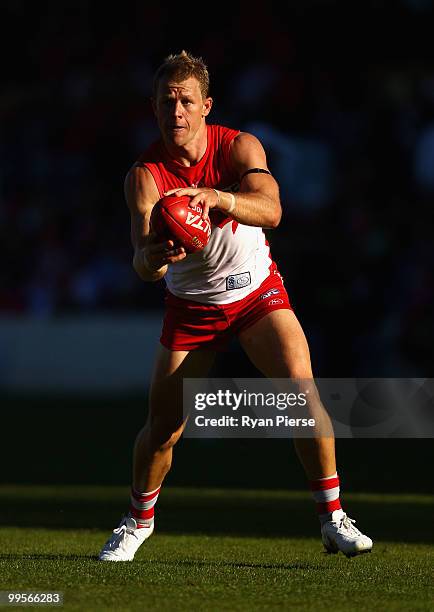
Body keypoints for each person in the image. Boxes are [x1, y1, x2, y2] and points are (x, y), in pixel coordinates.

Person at [99, 51, 372, 561]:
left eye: (185, 101)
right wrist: (156, 256)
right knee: (164, 429)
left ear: (207, 105)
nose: (174, 112)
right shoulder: (145, 175)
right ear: (153, 107)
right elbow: (142, 261)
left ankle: (333, 518)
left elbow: (271, 209)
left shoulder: (239, 146)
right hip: (192, 307)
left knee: (301, 391)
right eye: (165, 102)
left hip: (254, 295)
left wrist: (218, 198)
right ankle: (136, 523)